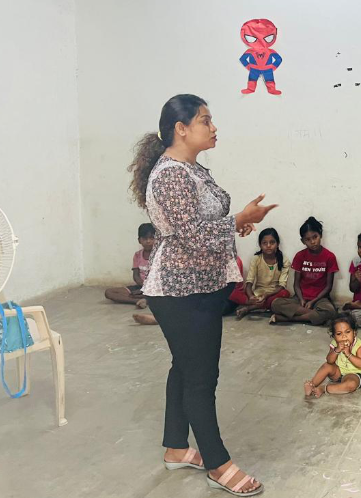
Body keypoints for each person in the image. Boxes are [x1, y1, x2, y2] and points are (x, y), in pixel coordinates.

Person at [129, 93, 276, 496]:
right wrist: (238, 219)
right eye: (205, 120)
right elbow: (190, 235)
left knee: (185, 367)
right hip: (180, 291)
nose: (214, 128)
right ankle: (218, 463)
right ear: (181, 129)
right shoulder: (170, 175)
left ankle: (176, 447)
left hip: (201, 285)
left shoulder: (191, 169)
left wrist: (235, 224)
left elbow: (202, 224)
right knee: (200, 377)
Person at [270, 217, 338, 325]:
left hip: (320, 299)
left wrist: (314, 301)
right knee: (275, 303)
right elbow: (296, 284)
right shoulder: (300, 256)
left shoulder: (329, 257)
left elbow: (328, 287)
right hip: (300, 298)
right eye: (308, 239)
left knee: (329, 310)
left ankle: (287, 319)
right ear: (303, 241)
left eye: (315, 237)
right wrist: (301, 299)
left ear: (320, 235)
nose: (313, 242)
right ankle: (315, 315)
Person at [230, 228, 291, 320]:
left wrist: (267, 295)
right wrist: (251, 297)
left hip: (273, 294)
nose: (268, 246)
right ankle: (256, 304)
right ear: (260, 245)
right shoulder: (256, 259)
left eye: (272, 242)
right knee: (232, 293)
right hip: (257, 294)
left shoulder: (284, 260)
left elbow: (281, 286)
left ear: (277, 244)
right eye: (265, 243)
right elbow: (249, 282)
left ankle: (249, 308)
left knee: (285, 293)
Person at [304, 313, 361, 398]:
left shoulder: (359, 346)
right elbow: (329, 361)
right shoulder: (335, 344)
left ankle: (324, 389)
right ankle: (312, 385)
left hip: (354, 374)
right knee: (327, 366)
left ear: (354, 333)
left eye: (347, 332)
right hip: (338, 372)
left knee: (351, 385)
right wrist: (336, 350)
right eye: (339, 334)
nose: (344, 336)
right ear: (334, 336)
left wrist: (348, 354)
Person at [104, 223, 155, 305]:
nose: (148, 241)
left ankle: (145, 298)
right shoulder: (137, 255)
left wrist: (147, 289)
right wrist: (143, 287)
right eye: (145, 238)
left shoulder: (159, 255)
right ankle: (138, 301)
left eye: (151, 238)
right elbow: (136, 276)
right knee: (109, 292)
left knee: (163, 295)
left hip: (155, 288)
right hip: (141, 286)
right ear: (139, 240)